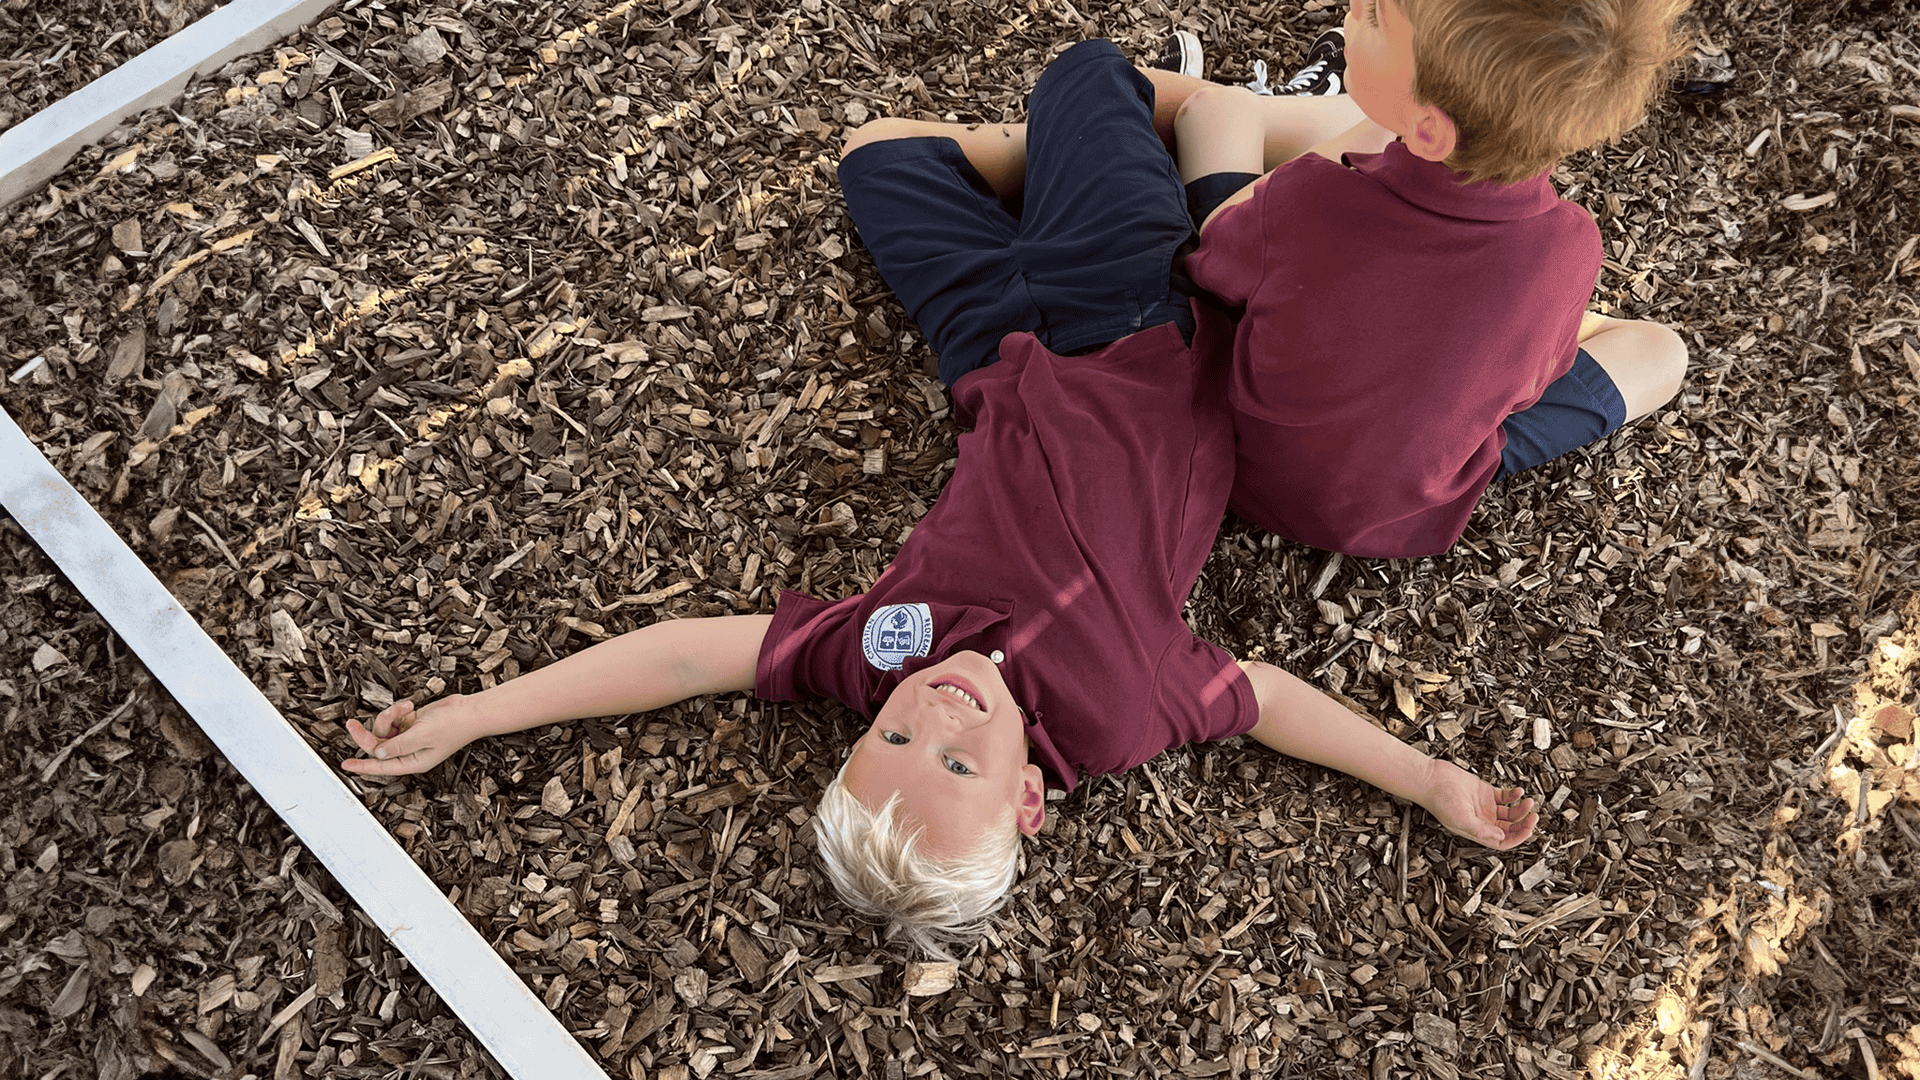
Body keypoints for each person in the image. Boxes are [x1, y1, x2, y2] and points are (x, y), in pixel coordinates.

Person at [341, 41, 1537, 957]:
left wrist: (486, 711)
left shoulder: (874, 656)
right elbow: (1268, 700)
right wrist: (1430, 781)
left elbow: (681, 660)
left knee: (878, 154)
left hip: (986, 350)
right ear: (1027, 798)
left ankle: (1102, 163)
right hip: (1128, 320)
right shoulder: (1119, 710)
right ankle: (1235, 143)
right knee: (1083, 74)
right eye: (959, 764)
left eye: (892, 737)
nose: (935, 716)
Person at [1154, 0, 1694, 558]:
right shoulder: (1573, 245)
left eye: (1375, 19)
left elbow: (1211, 258)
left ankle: (1290, 107)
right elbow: (1523, 389)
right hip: (1406, 510)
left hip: (1235, 459)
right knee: (1663, 351)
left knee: (1217, 111)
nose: (1356, 7)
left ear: (1431, 131)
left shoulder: (1308, 199)